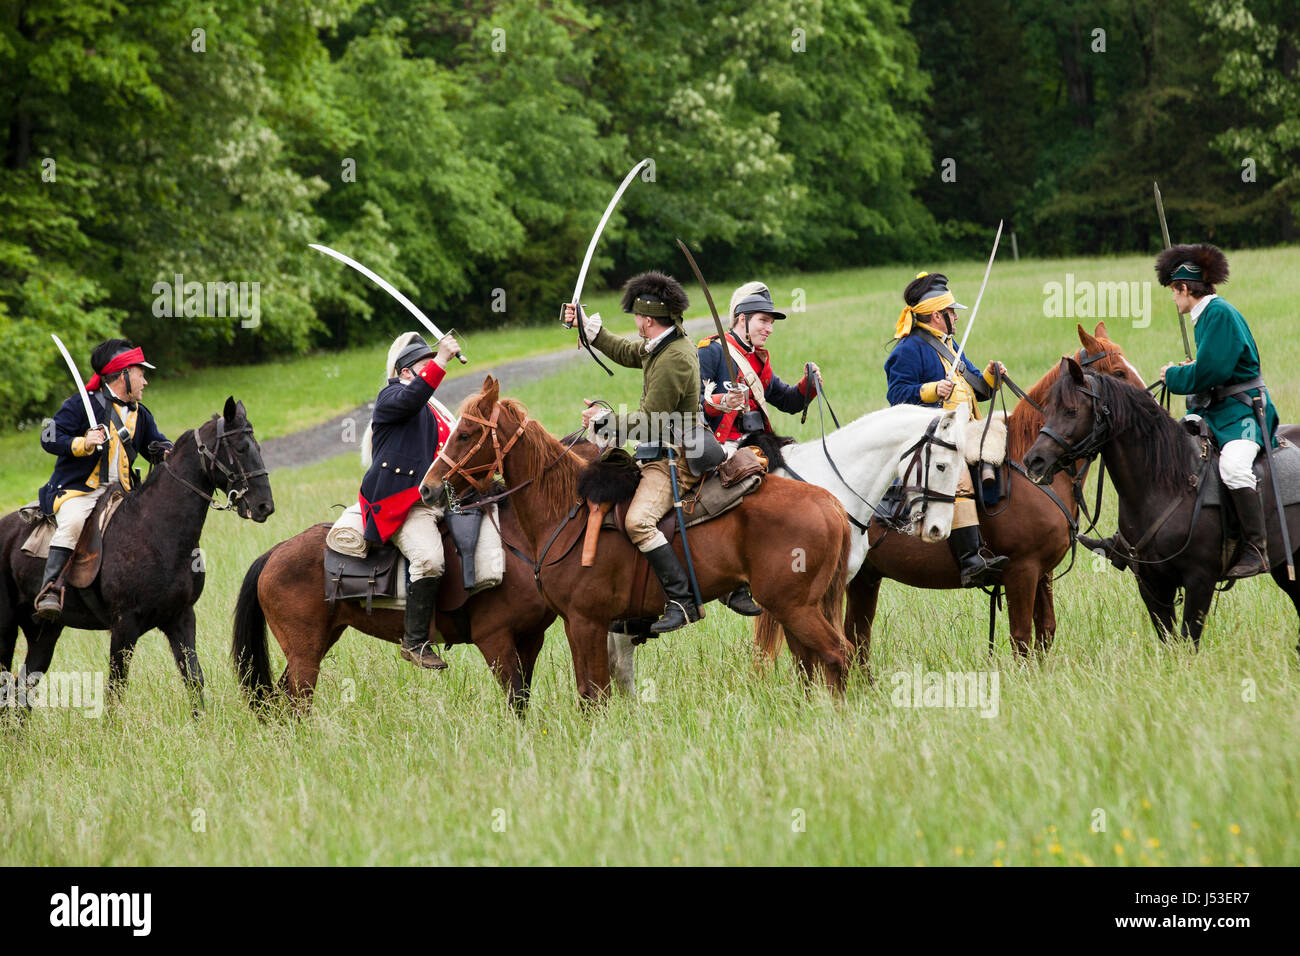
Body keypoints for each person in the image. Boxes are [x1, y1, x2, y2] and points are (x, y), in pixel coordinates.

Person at [564, 272, 705, 633]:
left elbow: (651, 422)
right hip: (658, 447)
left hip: (677, 455)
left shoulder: (674, 357)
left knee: (637, 522)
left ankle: (682, 601)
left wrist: (606, 420)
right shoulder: (664, 342)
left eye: (636, 318)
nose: (635, 324)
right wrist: (590, 331)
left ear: (646, 320)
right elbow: (629, 352)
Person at [696, 280, 818, 615]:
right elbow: (691, 403)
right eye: (763, 320)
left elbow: (786, 400)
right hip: (719, 444)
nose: (769, 328)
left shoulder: (757, 358)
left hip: (756, 441)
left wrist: (809, 386)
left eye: (771, 322)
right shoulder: (711, 350)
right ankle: (733, 576)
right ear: (741, 319)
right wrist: (721, 401)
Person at [1158, 243, 1278, 578]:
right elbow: (1212, 364)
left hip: (1243, 415)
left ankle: (1257, 549)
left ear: (1184, 288)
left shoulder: (1218, 313)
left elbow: (1214, 371)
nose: (1173, 298)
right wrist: (1193, 367)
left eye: (1173, 291)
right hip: (1220, 412)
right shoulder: (1208, 315)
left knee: (1234, 467)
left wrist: (1174, 375)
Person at [884, 271, 1010, 587]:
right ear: (938, 315)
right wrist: (930, 390)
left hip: (966, 426)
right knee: (958, 476)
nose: (956, 317)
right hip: (933, 434)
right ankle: (971, 561)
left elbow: (978, 387)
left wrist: (993, 376)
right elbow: (897, 395)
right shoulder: (908, 349)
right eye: (952, 311)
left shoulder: (951, 345)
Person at [36, 338, 171, 620]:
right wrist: (83, 442)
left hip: (123, 493)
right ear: (123, 376)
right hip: (80, 492)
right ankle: (50, 588)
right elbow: (49, 438)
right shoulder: (78, 406)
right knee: (72, 522)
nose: (145, 381)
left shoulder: (141, 415)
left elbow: (154, 444)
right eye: (140, 374)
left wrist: (168, 451)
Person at [359, 331, 461, 668]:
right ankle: (415, 642)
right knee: (430, 560)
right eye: (425, 366)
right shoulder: (391, 397)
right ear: (406, 373)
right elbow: (412, 398)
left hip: (443, 498)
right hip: (404, 505)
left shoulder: (433, 411)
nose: (432, 370)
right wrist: (443, 359)